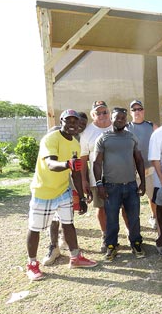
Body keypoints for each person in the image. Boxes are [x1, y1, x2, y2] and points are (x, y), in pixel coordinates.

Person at [25, 109, 98, 280]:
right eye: (69, 121)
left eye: (75, 121)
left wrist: (80, 197)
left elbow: (75, 173)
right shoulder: (50, 139)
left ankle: (75, 257)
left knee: (68, 223)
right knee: (35, 228)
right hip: (44, 191)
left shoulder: (75, 143)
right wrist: (68, 163)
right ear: (62, 121)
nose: (72, 124)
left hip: (63, 189)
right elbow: (50, 163)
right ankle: (32, 264)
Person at [93, 106, 146, 260]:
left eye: (123, 118)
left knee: (134, 217)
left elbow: (139, 160)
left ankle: (136, 243)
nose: (120, 120)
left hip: (130, 185)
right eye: (117, 117)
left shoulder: (131, 137)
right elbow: (97, 163)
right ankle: (111, 246)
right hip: (111, 186)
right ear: (112, 119)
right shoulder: (103, 138)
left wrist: (142, 182)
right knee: (111, 218)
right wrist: (99, 184)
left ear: (126, 120)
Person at [43, 111, 88, 266]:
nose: (79, 127)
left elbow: (78, 167)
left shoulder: (77, 139)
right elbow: (48, 160)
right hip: (49, 184)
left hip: (67, 183)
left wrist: (82, 193)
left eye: (82, 125)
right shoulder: (55, 133)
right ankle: (53, 246)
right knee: (53, 219)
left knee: (67, 216)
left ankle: (66, 242)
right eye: (77, 123)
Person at [79, 100, 113, 251]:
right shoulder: (87, 132)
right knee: (102, 208)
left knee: (124, 207)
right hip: (97, 178)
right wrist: (84, 180)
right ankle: (105, 236)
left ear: (109, 112)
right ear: (93, 115)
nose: (102, 115)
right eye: (98, 112)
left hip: (119, 177)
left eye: (104, 111)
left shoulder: (118, 127)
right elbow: (83, 159)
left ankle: (131, 234)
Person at [125, 99, 158, 230]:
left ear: (143, 111)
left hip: (150, 169)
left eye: (139, 109)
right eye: (134, 110)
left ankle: (154, 217)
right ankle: (133, 224)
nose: (137, 112)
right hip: (132, 171)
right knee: (132, 200)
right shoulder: (126, 127)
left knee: (153, 196)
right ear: (130, 112)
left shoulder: (151, 126)